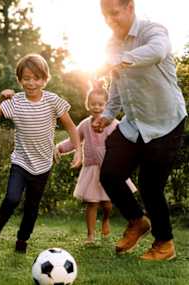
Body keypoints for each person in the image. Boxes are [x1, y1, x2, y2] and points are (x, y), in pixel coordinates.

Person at [93, 0, 187, 260]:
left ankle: (165, 243)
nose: (110, 21)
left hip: (165, 122)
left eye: (114, 13)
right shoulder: (111, 44)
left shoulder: (153, 31)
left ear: (130, 7)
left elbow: (157, 51)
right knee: (110, 174)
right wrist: (109, 114)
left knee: (150, 186)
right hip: (135, 123)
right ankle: (137, 221)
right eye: (105, 16)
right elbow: (117, 84)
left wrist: (121, 59)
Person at [0, 53, 81, 253]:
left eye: (37, 78)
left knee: (32, 207)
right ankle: (0, 220)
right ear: (19, 80)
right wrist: (0, 98)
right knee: (12, 198)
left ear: (45, 79)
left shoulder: (53, 101)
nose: (31, 83)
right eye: (26, 78)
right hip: (20, 162)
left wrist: (78, 150)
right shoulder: (15, 102)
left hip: (44, 164)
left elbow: (72, 127)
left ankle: (22, 241)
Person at [55, 81, 137, 244]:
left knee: (107, 203)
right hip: (92, 169)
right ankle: (90, 235)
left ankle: (106, 219)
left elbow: (125, 142)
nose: (97, 107)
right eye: (93, 104)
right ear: (88, 104)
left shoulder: (114, 124)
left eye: (101, 104)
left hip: (110, 168)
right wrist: (59, 148)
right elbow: (75, 140)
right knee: (92, 203)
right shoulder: (85, 124)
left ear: (107, 106)